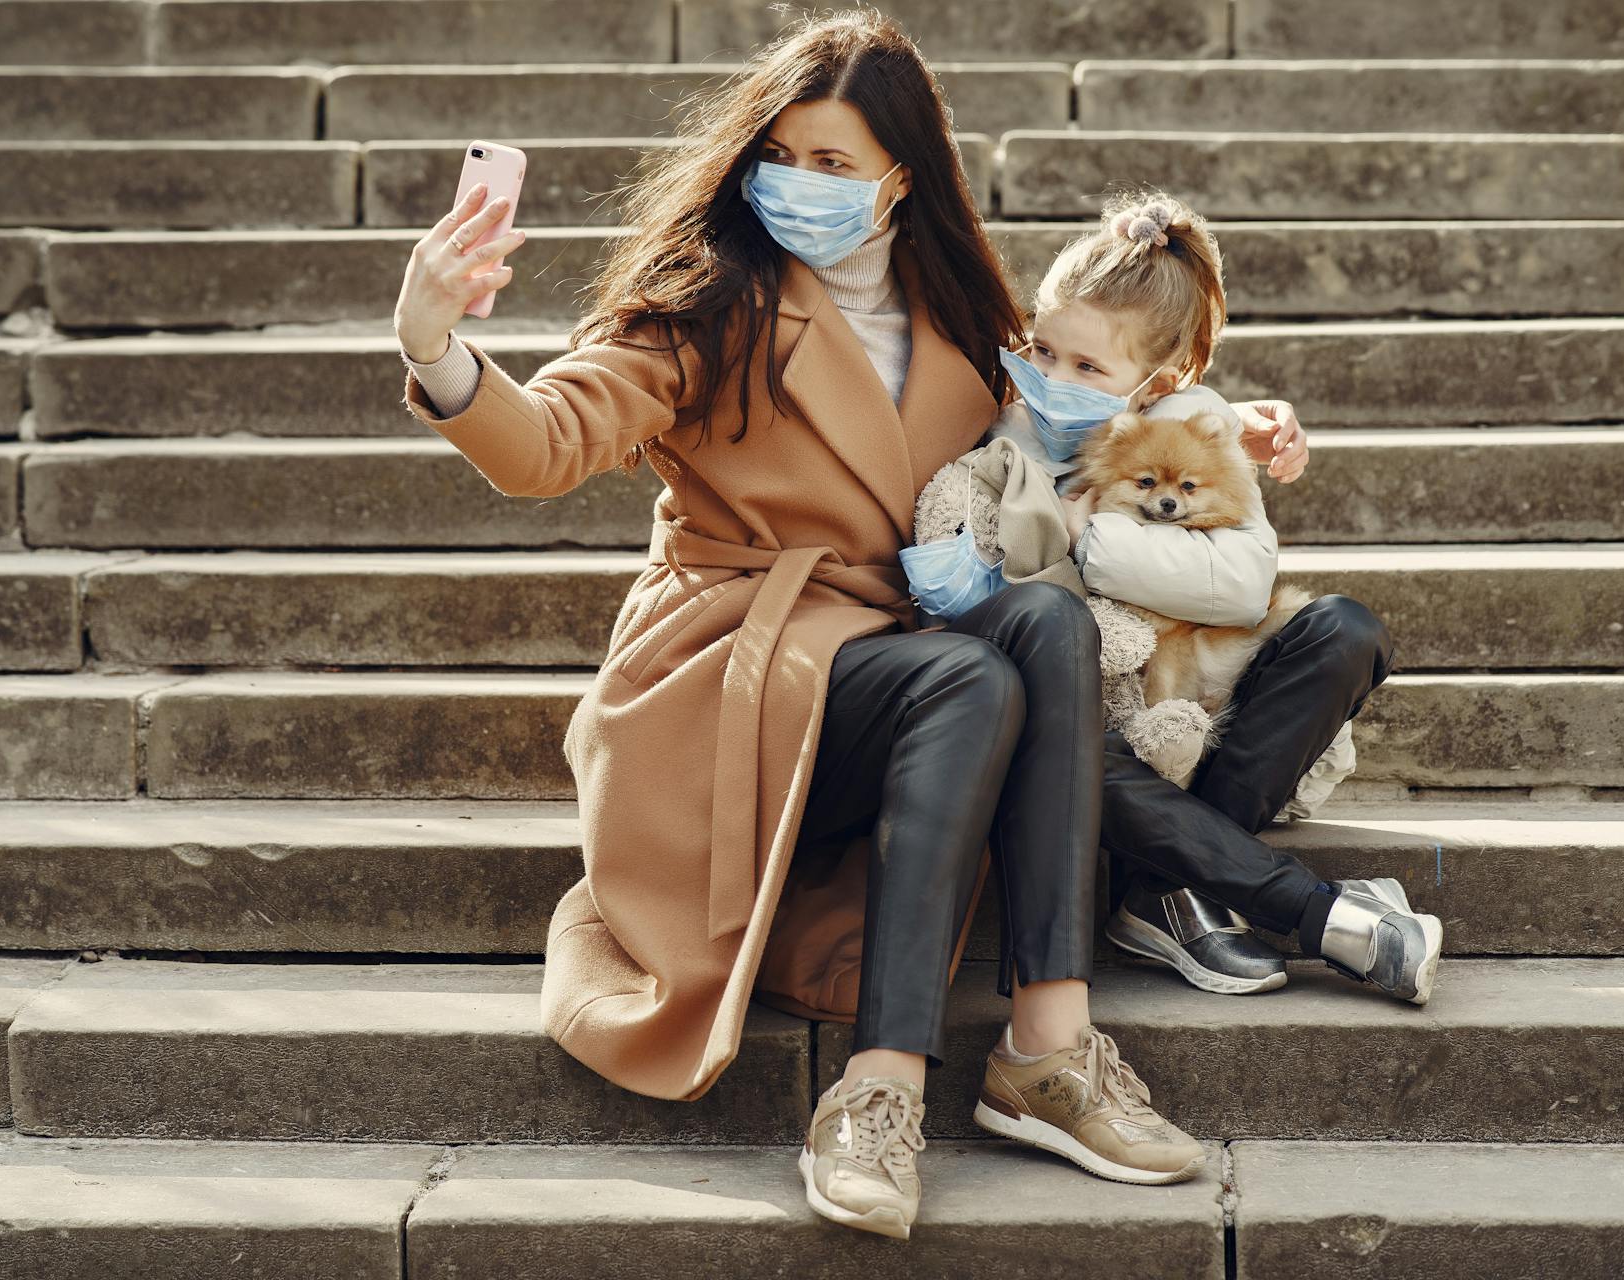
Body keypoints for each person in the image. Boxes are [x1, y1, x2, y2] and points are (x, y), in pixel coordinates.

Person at [393, 10, 1317, 1243]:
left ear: (900, 177)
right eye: (781, 154)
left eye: (834, 163)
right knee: (968, 682)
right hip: (735, 677)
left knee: (1040, 625)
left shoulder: (960, 317)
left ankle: (1048, 1045)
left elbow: (1062, 433)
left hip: (895, 671)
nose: (799, 184)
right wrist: (437, 344)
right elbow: (551, 439)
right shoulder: (707, 302)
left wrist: (1220, 429)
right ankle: (877, 1089)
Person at [924, 191, 1445, 1003]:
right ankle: (1310, 913)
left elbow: (1241, 589)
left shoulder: (1197, 430)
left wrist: (1083, 530)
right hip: (1093, 730)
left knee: (1347, 628)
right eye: (1043, 350)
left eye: (1089, 368)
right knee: (1054, 731)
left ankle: (1158, 891)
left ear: (1154, 386)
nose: (1053, 379)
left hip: (1201, 696)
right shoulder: (998, 439)